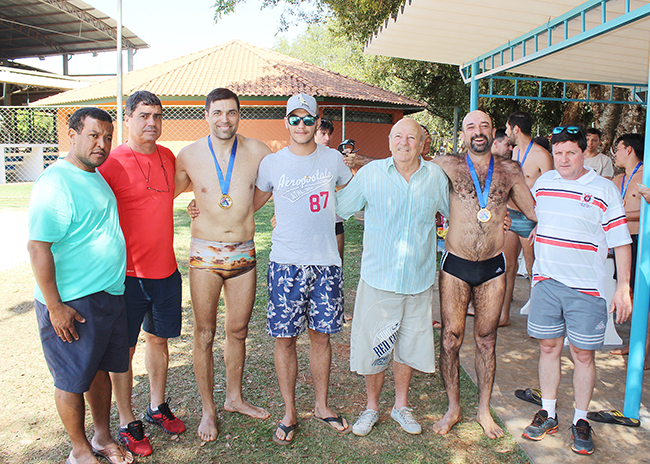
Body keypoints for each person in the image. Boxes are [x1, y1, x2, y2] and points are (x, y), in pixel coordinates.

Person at [27, 107, 134, 464]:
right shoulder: (56, 181)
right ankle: (79, 451)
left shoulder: (93, 174)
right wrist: (55, 307)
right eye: (93, 135)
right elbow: (38, 247)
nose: (101, 144)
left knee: (99, 371)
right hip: (73, 303)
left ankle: (101, 437)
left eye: (107, 137)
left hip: (106, 297)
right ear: (72, 134)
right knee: (72, 379)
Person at [521, 125, 632, 455]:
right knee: (548, 348)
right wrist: (536, 230)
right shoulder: (544, 183)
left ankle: (581, 420)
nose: (564, 159)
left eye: (571, 152)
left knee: (583, 354)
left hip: (587, 289)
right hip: (546, 283)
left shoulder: (604, 189)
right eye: (558, 153)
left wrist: (623, 287)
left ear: (585, 153)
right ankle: (549, 413)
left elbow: (621, 242)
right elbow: (538, 218)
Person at [336, 118, 449, 437]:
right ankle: (371, 407)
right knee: (375, 346)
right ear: (389, 142)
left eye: (411, 137)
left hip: (418, 279)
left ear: (421, 143)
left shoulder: (434, 177)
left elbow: (455, 212)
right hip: (378, 278)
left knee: (409, 346)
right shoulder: (371, 175)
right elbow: (341, 206)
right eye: (398, 136)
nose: (404, 142)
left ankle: (401, 405)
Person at [254, 93, 353, 445]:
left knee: (321, 337)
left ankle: (322, 406)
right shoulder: (272, 164)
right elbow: (250, 204)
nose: (301, 125)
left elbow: (352, 192)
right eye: (294, 119)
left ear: (317, 121)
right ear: (286, 122)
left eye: (307, 119)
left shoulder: (333, 159)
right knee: (285, 339)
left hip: (326, 262)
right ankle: (289, 411)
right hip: (286, 263)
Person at [174, 88, 272, 442]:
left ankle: (234, 398)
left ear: (238, 115)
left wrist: (246, 210)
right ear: (207, 115)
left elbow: (271, 186)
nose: (225, 119)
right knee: (204, 334)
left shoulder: (259, 152)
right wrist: (192, 207)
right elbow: (167, 192)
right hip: (205, 254)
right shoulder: (189, 155)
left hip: (243, 252)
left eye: (231, 112)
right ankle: (208, 410)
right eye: (218, 113)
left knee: (238, 332)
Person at [432, 110, 536, 438]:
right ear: (462, 134)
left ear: (494, 132)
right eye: (471, 127)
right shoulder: (446, 165)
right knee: (450, 339)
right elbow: (405, 178)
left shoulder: (509, 169)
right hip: (456, 265)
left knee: (487, 341)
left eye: (484, 126)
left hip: (492, 267)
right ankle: (453, 408)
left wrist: (509, 217)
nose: (478, 132)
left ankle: (482, 411)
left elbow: (532, 211)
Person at [98, 91, 185, 456]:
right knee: (124, 351)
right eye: (144, 115)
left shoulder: (167, 156)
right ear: (129, 118)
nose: (152, 122)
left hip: (166, 271)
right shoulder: (113, 161)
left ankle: (156, 406)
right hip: (128, 276)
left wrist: (195, 207)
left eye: (158, 116)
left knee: (159, 341)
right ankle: (126, 420)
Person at [502, 112, 553, 326]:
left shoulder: (542, 155)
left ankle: (537, 321)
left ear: (516, 129)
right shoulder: (515, 151)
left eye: (506, 129)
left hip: (531, 219)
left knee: (533, 269)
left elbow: (551, 190)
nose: (505, 134)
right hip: (511, 216)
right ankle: (503, 315)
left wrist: (542, 223)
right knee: (507, 267)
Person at [610, 133, 646, 363]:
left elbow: (646, 213)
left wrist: (621, 216)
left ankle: (644, 350)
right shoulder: (617, 180)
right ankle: (635, 343)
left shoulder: (646, 175)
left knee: (644, 295)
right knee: (628, 293)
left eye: (618, 149)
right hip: (621, 241)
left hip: (641, 240)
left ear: (630, 149)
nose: (615, 154)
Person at [315, 118, 346, 262]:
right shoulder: (299, 158)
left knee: (336, 265)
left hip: (334, 221)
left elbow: (345, 189)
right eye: (322, 133)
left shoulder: (336, 157)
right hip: (311, 223)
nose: (327, 138)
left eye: (329, 134)